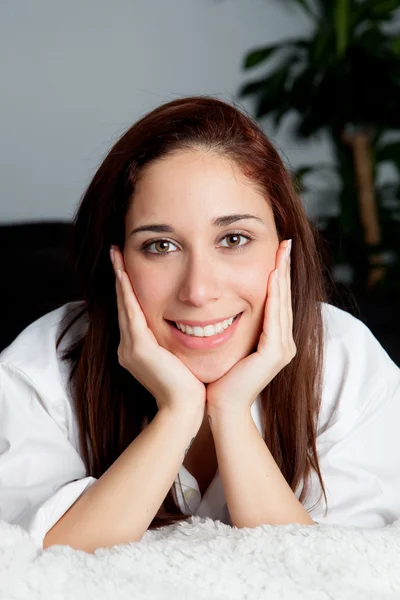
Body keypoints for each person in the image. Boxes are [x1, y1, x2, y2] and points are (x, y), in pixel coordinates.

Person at [1, 97, 399, 555]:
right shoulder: (41, 369)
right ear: (117, 260)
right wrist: (177, 414)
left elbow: (338, 580)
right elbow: (33, 574)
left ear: (282, 248)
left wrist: (231, 413)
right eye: (160, 245)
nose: (198, 290)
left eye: (234, 239)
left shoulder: (345, 359)